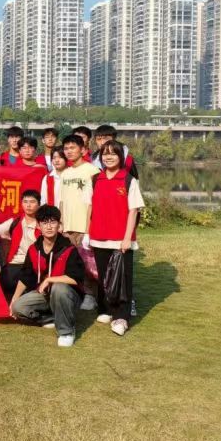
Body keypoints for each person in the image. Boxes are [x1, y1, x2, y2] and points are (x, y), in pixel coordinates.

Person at [88, 140, 144, 336]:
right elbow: (89, 208)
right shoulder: (96, 179)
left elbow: (133, 211)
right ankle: (106, 309)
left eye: (113, 153)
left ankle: (122, 317)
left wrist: (127, 238)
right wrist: (87, 233)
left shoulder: (128, 180)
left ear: (120, 157)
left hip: (120, 239)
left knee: (123, 279)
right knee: (103, 276)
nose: (108, 157)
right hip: (98, 236)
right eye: (105, 153)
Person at [9, 205, 85, 347]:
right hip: (45, 295)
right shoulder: (33, 249)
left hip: (67, 295)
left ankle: (66, 332)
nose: (49, 226)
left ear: (59, 225)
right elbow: (26, 276)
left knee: (59, 288)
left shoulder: (69, 249)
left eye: (53, 222)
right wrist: (14, 299)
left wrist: (50, 280)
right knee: (18, 307)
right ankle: (51, 318)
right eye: (44, 222)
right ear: (38, 226)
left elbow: (76, 279)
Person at [59, 134, 100, 311]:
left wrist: (90, 228)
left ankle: (92, 296)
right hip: (67, 227)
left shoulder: (92, 171)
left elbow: (96, 202)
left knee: (89, 265)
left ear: (82, 150)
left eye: (72, 148)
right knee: (71, 263)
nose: (69, 151)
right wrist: (60, 223)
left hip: (85, 226)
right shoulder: (65, 173)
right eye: (66, 148)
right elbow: (62, 200)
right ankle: (76, 294)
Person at [0, 190, 41, 299]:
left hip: (35, 265)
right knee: (0, 281)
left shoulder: (44, 224)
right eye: (25, 202)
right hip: (16, 263)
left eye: (32, 202)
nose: (28, 205)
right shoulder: (15, 222)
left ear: (39, 204)